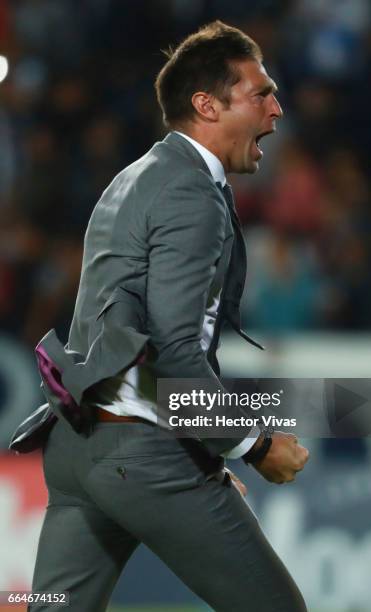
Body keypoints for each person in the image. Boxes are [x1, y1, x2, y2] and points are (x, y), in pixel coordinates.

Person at [11, 21, 309, 611]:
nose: (277, 109)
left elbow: (134, 334)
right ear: (206, 104)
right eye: (261, 92)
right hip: (142, 449)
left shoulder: (134, 177)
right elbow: (175, 347)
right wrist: (249, 442)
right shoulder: (190, 191)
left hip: (82, 447)